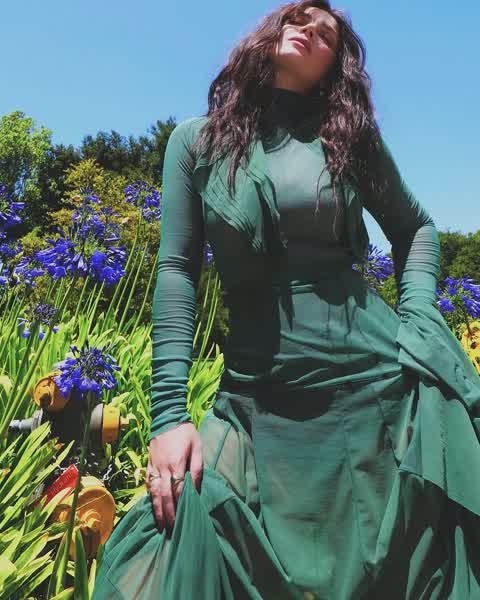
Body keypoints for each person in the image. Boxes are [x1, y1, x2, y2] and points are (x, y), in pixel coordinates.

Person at [92, 1, 480, 598]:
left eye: (325, 34)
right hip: (256, 395)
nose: (307, 29)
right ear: (270, 32)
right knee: (172, 527)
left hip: (373, 379)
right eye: (298, 17)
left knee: (404, 558)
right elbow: (177, 272)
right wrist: (169, 416)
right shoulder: (195, 143)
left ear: (334, 67)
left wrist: (420, 316)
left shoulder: (347, 139)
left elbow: (417, 228)